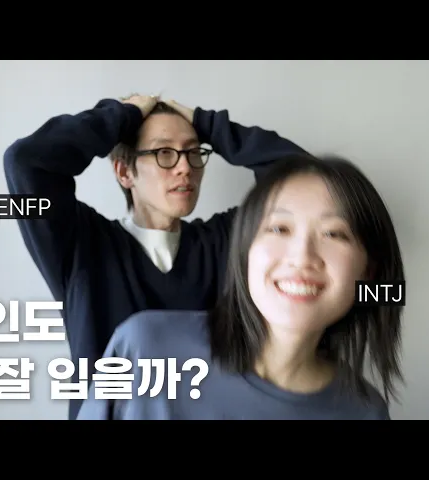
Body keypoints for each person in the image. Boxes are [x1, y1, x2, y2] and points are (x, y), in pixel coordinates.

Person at [3, 94, 309, 419]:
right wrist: (122, 115)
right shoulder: (81, 245)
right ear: (124, 172)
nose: (185, 167)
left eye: (194, 152)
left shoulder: (227, 240)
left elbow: (308, 184)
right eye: (164, 153)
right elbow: (24, 162)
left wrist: (207, 124)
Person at [76, 154, 405, 420]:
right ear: (246, 251)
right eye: (279, 228)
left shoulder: (364, 411)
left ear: (368, 272)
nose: (301, 257)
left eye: (334, 234)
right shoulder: (145, 345)